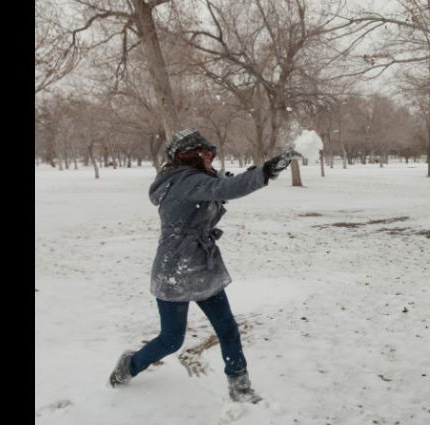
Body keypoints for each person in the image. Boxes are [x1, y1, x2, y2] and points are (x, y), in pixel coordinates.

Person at [108, 128, 300, 403]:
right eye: (206, 153)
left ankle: (240, 386)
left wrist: (253, 173)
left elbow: (221, 184)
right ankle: (128, 366)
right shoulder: (184, 182)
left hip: (202, 266)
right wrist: (265, 172)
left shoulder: (195, 179)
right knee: (172, 340)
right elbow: (222, 189)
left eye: (212, 152)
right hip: (175, 269)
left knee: (227, 328)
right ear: (189, 156)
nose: (211, 157)